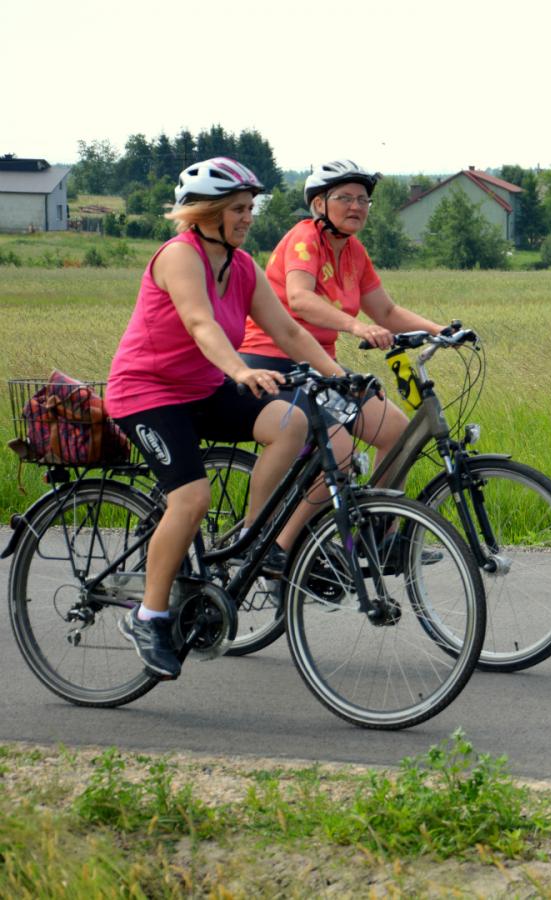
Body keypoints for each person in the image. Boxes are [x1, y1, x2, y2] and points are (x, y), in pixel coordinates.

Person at [106, 157, 346, 679]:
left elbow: (289, 331)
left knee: (290, 422)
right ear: (206, 213)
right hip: (147, 393)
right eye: (238, 209)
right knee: (191, 498)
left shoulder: (241, 267)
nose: (248, 217)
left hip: (201, 389)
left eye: (249, 208)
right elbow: (199, 323)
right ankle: (148, 617)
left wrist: (340, 376)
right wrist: (240, 369)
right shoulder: (179, 256)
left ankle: (254, 538)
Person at [239, 159, 444, 469]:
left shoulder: (354, 251)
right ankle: (302, 504)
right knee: (339, 453)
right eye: (345, 198)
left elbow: (386, 311)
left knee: (395, 432)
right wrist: (357, 327)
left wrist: (439, 331)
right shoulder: (305, 238)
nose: (356, 206)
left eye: (363, 200)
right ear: (319, 204)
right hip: (275, 361)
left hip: (320, 366)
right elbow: (299, 298)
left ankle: (380, 504)